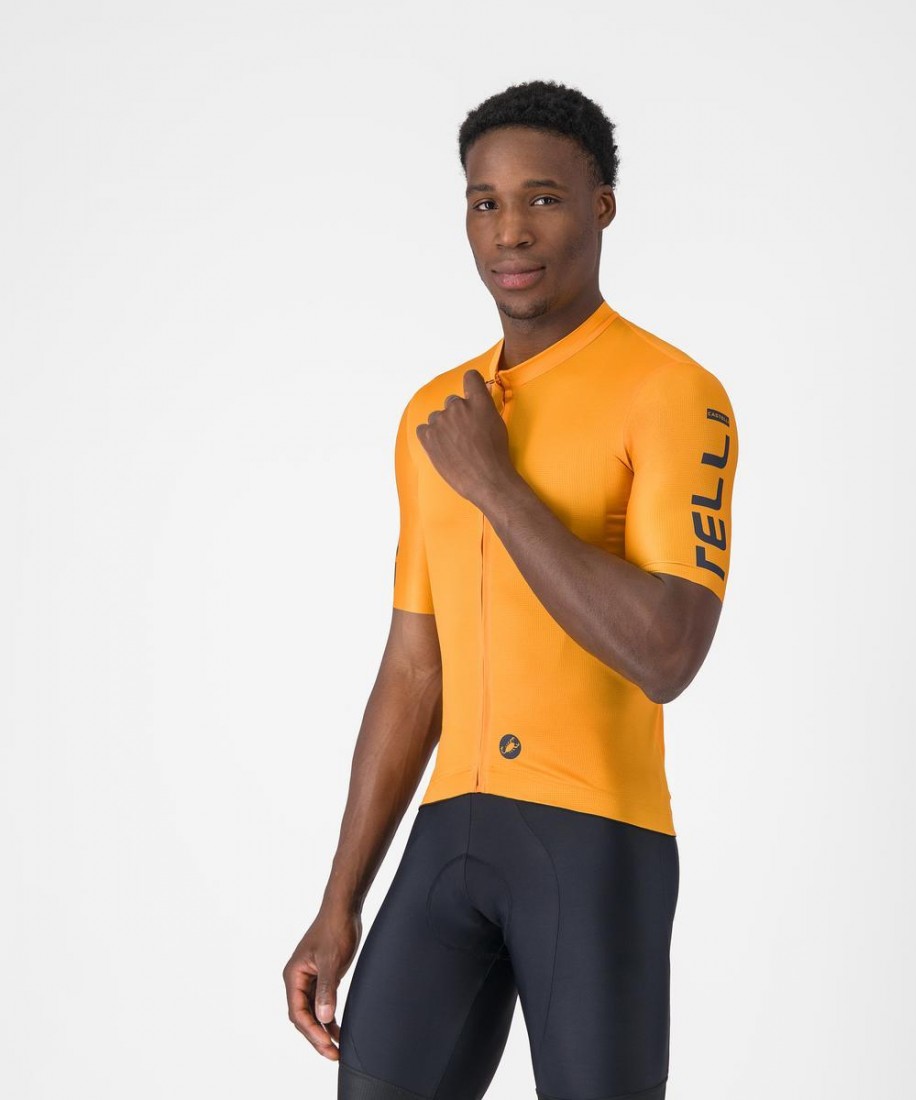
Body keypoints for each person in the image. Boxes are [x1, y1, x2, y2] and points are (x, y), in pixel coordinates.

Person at [283, 79, 738, 1100]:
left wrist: (496, 486)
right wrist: (339, 900)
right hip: (447, 837)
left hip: (594, 844)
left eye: (542, 198)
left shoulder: (670, 392)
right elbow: (414, 667)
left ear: (601, 206)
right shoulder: (433, 414)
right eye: (483, 202)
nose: (509, 230)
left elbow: (669, 651)